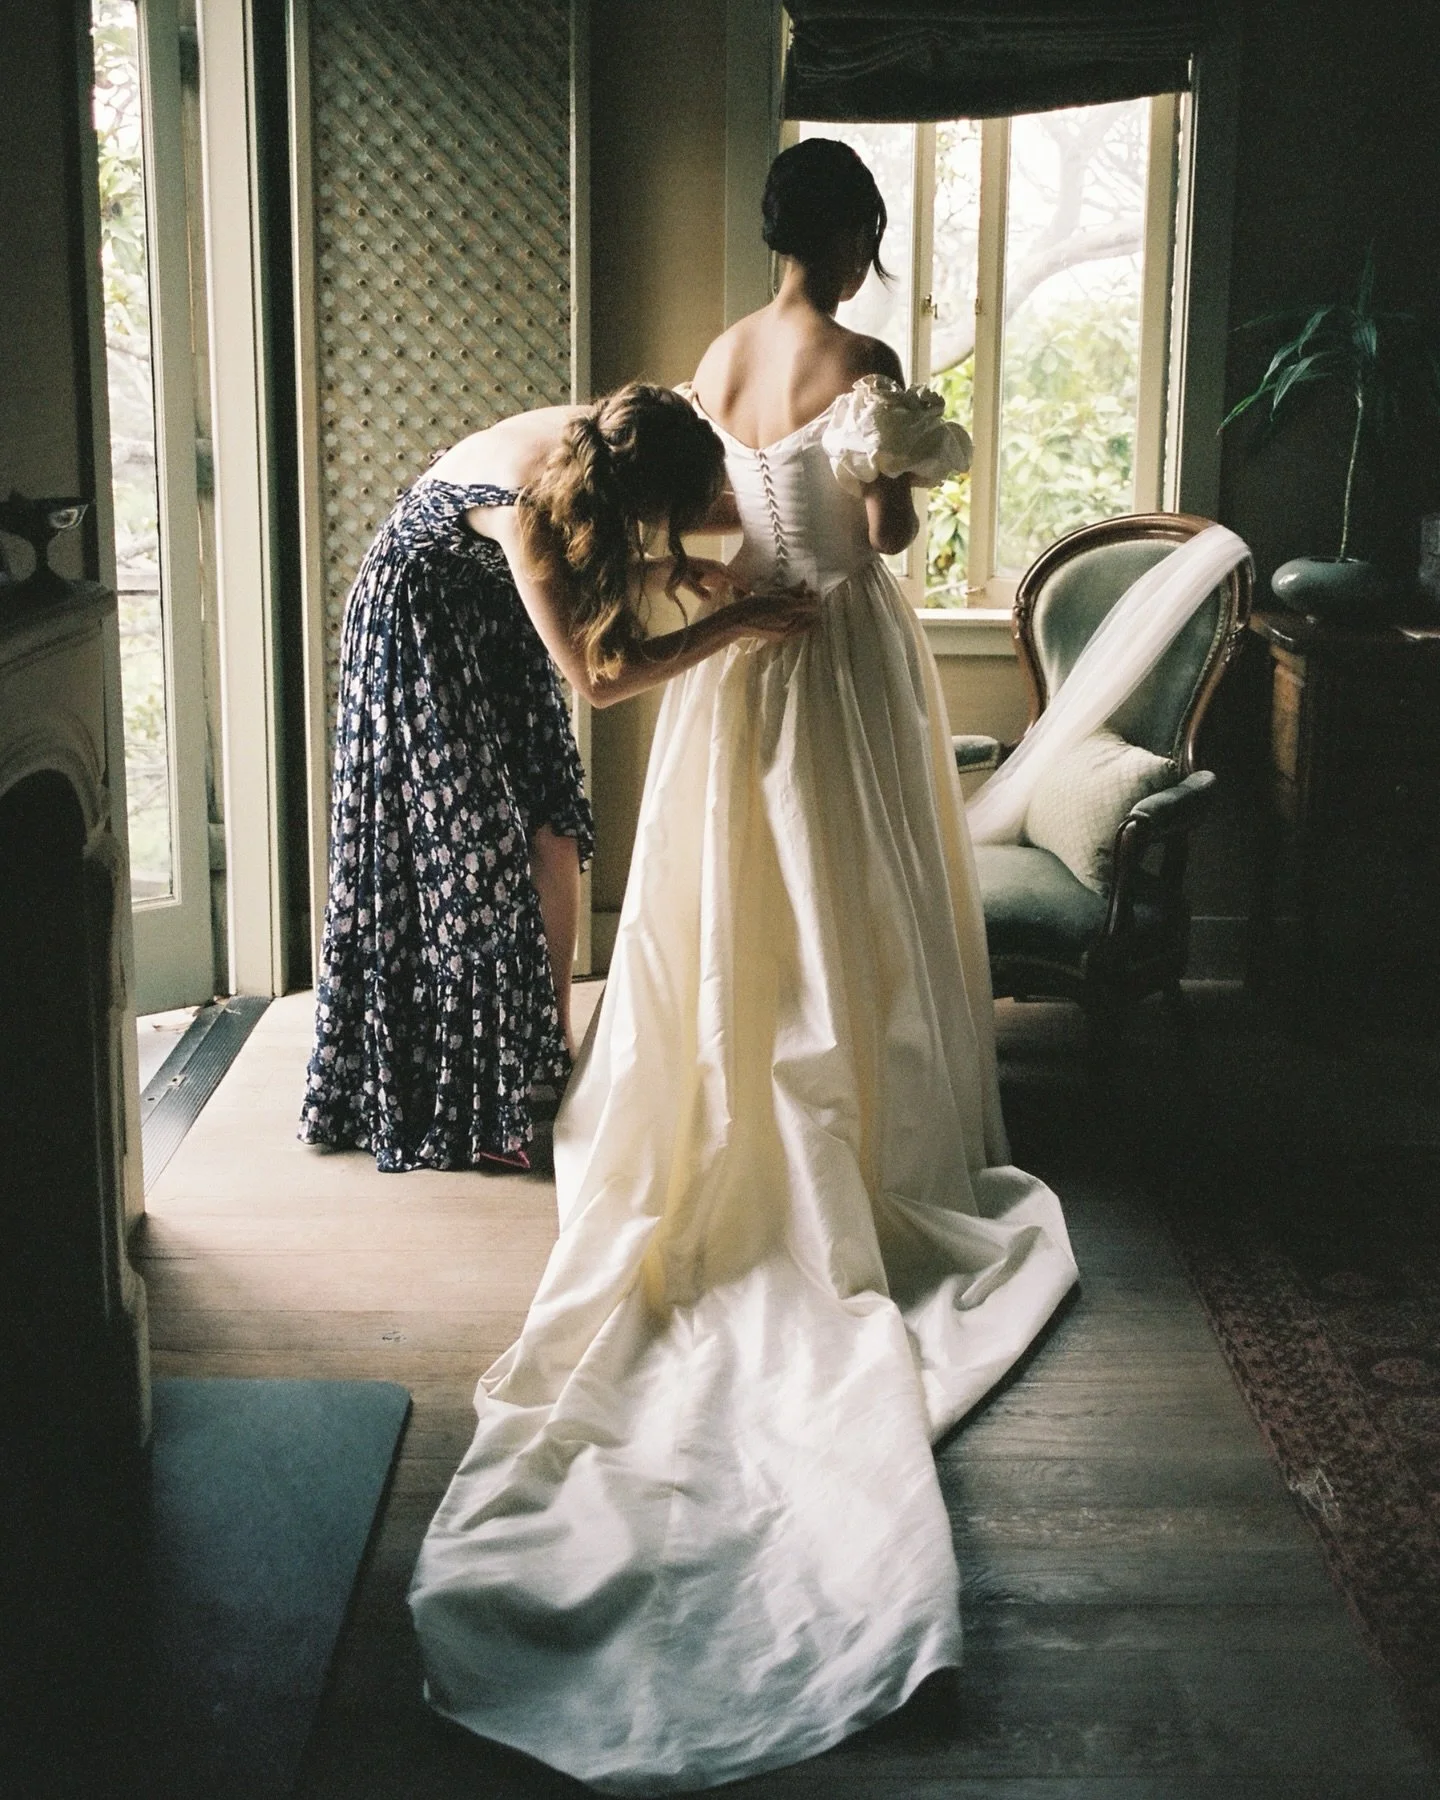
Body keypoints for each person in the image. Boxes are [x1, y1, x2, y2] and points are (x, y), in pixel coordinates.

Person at [409, 140, 1080, 1791]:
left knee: (730, 925)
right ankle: (860, 1124)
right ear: (849, 241)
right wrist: (902, 473)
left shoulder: (713, 355)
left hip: (732, 665)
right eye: (871, 229)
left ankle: (744, 1110)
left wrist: (745, 575)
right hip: (836, 661)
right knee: (859, 906)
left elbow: (701, 527)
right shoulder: (867, 363)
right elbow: (892, 533)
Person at [299, 382, 817, 1173]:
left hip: (492, 604)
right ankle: (484, 1096)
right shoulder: (533, 511)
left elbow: (700, 512)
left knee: (554, 819)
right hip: (419, 627)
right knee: (474, 858)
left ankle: (549, 1047)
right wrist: (735, 622)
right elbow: (601, 683)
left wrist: (681, 561)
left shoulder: (620, 433)